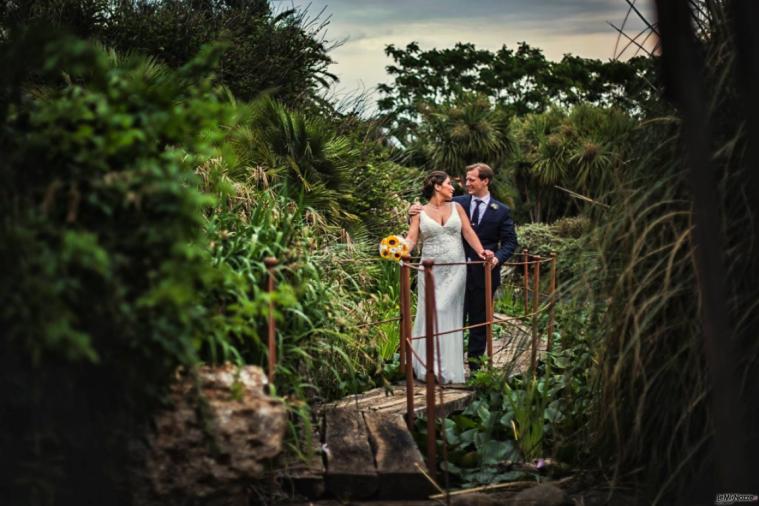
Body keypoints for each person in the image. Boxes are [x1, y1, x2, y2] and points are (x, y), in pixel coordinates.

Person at [410, 163, 517, 371]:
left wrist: (496, 259)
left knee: (479, 322)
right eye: (464, 180)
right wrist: (411, 210)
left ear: (485, 181)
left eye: (471, 180)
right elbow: (427, 210)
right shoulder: (455, 202)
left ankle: (475, 368)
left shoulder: (501, 211)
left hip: (482, 274)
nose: (465, 183)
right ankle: (448, 364)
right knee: (448, 317)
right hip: (448, 271)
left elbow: (510, 242)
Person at [404, 171, 493, 384]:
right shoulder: (419, 212)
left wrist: (482, 252)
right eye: (448, 184)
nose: (453, 188)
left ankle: (447, 368)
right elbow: (411, 238)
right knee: (431, 313)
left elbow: (469, 232)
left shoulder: (457, 207)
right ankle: (428, 365)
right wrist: (399, 250)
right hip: (429, 270)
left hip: (456, 270)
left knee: (445, 311)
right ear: (437, 186)